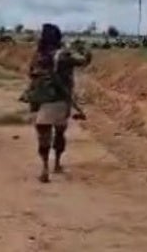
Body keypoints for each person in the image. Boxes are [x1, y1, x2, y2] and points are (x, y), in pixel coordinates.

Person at [24, 23, 91, 183]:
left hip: (37, 98)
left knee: (43, 135)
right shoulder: (63, 55)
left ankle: (44, 167)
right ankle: (57, 164)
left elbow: (30, 73)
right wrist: (83, 48)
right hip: (59, 99)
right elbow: (84, 61)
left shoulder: (37, 55)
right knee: (60, 132)